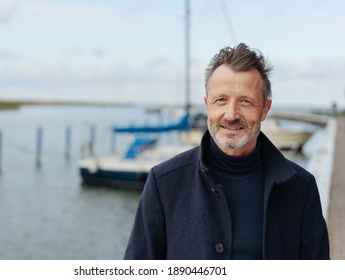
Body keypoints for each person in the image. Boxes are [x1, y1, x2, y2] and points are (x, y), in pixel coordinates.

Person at [124, 43, 330, 260]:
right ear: (207, 105)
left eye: (246, 101)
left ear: (264, 110)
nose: (231, 114)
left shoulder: (300, 188)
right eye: (221, 100)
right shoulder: (164, 183)